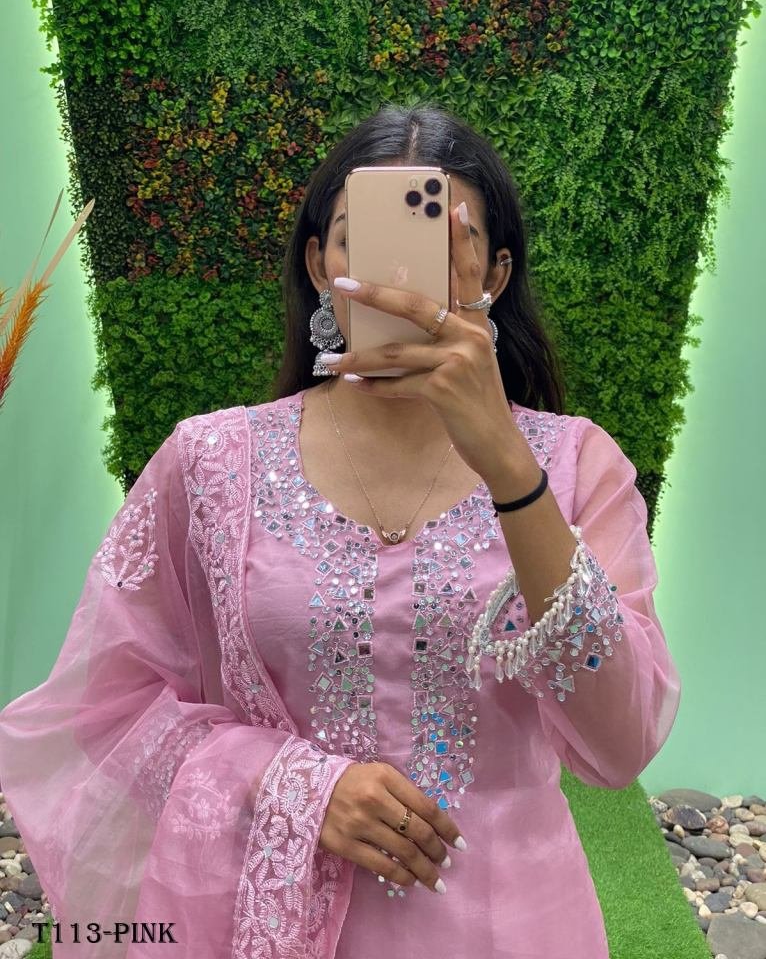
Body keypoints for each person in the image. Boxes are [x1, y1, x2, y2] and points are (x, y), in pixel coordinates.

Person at [0, 103, 681, 958]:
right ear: (321, 263)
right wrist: (293, 785)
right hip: (264, 927)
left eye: (445, 239)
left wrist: (510, 470)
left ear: (495, 274)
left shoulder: (577, 466)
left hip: (517, 926)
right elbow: (100, 714)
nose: (403, 275)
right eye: (368, 240)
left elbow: (622, 744)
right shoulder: (212, 463)